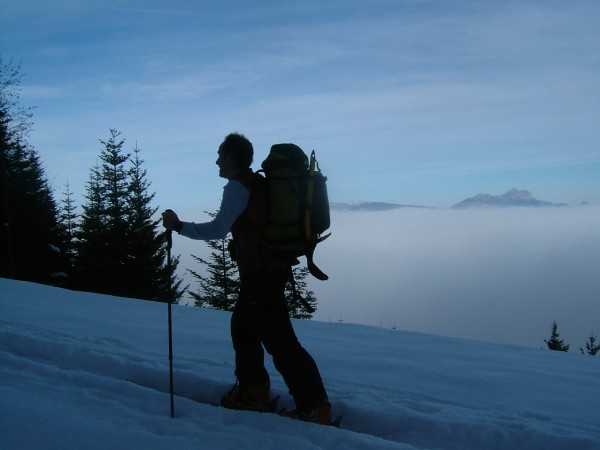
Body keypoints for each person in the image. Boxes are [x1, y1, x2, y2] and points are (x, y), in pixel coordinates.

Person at [161, 132, 332, 424]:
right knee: (244, 328)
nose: (216, 161)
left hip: (261, 273)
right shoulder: (255, 183)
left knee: (279, 341)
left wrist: (178, 226)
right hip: (267, 270)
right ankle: (255, 392)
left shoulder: (238, 187)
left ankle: (314, 406)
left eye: (220, 155)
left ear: (230, 157)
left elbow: (218, 228)